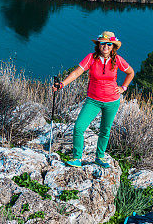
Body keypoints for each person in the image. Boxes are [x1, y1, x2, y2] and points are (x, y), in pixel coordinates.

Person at [53, 31, 135, 168]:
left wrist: (123, 87)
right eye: (103, 43)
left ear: (113, 46)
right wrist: (62, 84)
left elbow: (130, 72)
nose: (106, 46)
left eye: (109, 44)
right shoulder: (91, 58)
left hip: (112, 102)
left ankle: (100, 157)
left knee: (105, 130)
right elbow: (77, 72)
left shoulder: (118, 60)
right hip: (93, 100)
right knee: (79, 127)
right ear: (98, 45)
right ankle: (77, 158)